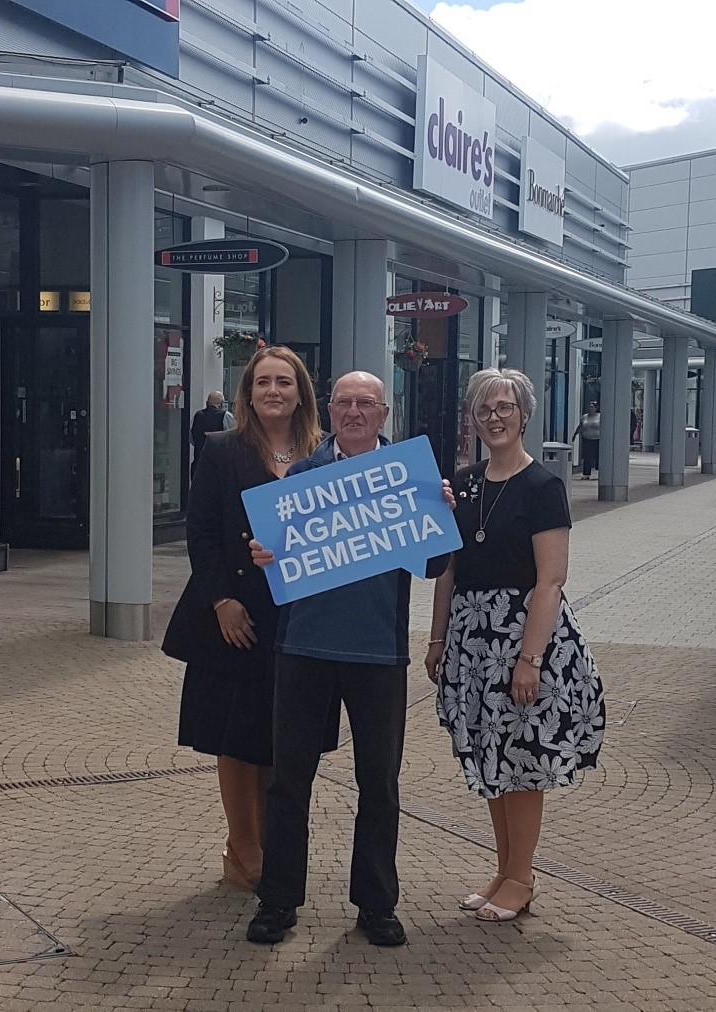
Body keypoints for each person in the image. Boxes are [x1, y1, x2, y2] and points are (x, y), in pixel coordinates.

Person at [245, 371, 454, 947]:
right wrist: (265, 554)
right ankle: (278, 899)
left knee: (379, 785)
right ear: (330, 411)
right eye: (345, 403)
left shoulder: (410, 481)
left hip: (378, 652)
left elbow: (435, 569)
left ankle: (377, 904)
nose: (356, 412)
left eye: (367, 403)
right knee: (288, 783)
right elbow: (276, 565)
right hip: (303, 648)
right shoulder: (302, 478)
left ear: (384, 413)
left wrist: (440, 515)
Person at [425, 367, 604, 923]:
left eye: (504, 407)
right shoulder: (465, 482)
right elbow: (449, 569)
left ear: (524, 414)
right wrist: (437, 638)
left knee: (522, 761)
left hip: (524, 638)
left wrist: (530, 659)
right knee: (492, 757)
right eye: (484, 409)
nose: (494, 417)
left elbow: (551, 580)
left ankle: (522, 877)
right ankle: (504, 869)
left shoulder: (544, 486)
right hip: (471, 638)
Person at [163, 347, 337, 891]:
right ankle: (243, 849)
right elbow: (202, 533)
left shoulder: (325, 455)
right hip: (235, 617)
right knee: (235, 738)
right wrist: (221, 601)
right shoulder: (221, 451)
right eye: (263, 382)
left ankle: (272, 845)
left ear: (301, 392)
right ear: (248, 392)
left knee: (279, 739)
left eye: (284, 382)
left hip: (299, 618)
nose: (273, 391)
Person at [190, 391, 234, 479]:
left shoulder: (197, 416)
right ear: (221, 404)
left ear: (207, 403)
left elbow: (191, 438)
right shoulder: (226, 416)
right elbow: (235, 437)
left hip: (198, 466)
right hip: (220, 467)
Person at [572, 401, 600, 479]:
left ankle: (600, 473)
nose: (590, 409)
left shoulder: (599, 417)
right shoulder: (584, 417)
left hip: (598, 440)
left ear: (596, 408)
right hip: (587, 439)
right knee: (587, 457)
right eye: (589, 407)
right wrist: (575, 434)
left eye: (592, 407)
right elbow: (580, 426)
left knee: (598, 457)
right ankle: (586, 474)